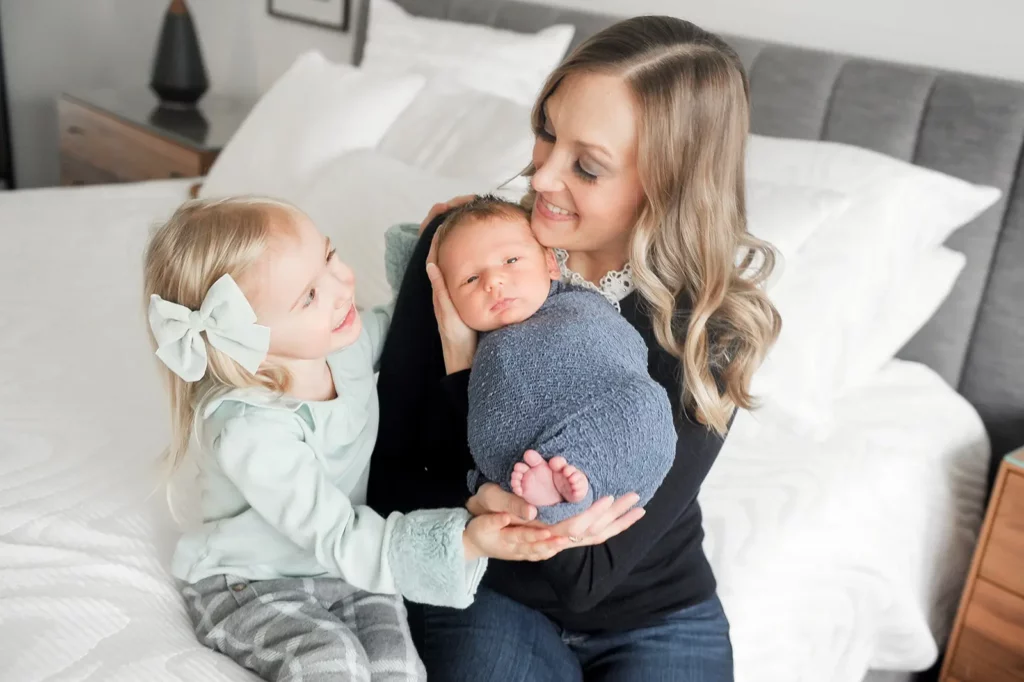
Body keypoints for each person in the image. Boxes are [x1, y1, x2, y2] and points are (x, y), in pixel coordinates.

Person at [370, 14, 781, 682]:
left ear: (667, 185)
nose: (540, 177)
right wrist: (476, 493)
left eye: (586, 166)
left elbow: (589, 575)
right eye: (546, 132)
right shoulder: (476, 250)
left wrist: (470, 381)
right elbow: (388, 483)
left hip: (659, 613)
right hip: (487, 589)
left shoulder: (709, 328)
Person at [144, 197, 569, 682]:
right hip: (253, 581)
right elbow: (337, 532)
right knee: (330, 662)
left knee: (400, 667)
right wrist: (463, 541)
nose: (343, 285)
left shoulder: (342, 344)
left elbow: (406, 320)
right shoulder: (250, 431)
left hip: (346, 572)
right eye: (308, 296)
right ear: (247, 340)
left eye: (329, 257)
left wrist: (434, 247)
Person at [431, 195, 677, 524]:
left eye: (511, 261)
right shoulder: (481, 349)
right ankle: (559, 491)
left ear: (550, 264)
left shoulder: (579, 306)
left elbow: (622, 351)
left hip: (611, 429)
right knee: (530, 473)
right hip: (519, 461)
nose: (493, 282)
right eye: (470, 280)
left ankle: (568, 487)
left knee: (645, 403)